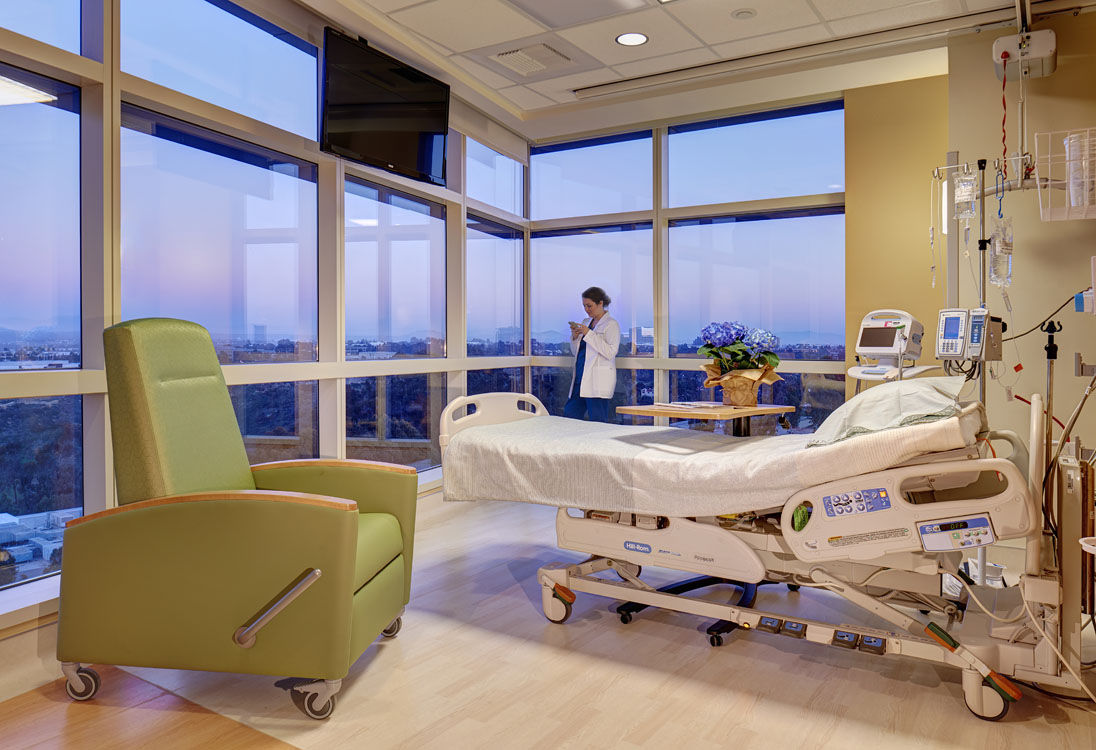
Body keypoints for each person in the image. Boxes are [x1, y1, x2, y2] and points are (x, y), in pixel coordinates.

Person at [564, 286, 620, 422]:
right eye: (584, 306)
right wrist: (575, 337)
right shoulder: (585, 323)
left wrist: (589, 334)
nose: (586, 310)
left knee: (598, 422)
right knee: (569, 418)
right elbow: (577, 352)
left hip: (597, 382)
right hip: (580, 378)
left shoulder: (611, 324)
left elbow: (610, 352)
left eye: (589, 306)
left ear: (600, 303)